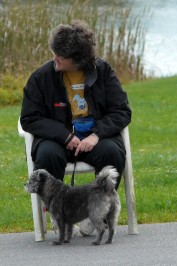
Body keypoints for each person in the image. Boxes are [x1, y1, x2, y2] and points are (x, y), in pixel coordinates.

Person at [20, 20, 132, 235]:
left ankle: (97, 213)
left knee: (112, 153)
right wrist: (64, 136)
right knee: (47, 156)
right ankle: (57, 213)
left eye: (61, 56)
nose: (55, 59)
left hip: (95, 137)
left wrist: (96, 136)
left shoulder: (103, 71)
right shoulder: (42, 77)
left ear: (78, 59)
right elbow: (29, 118)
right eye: (55, 53)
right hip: (58, 139)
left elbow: (122, 111)